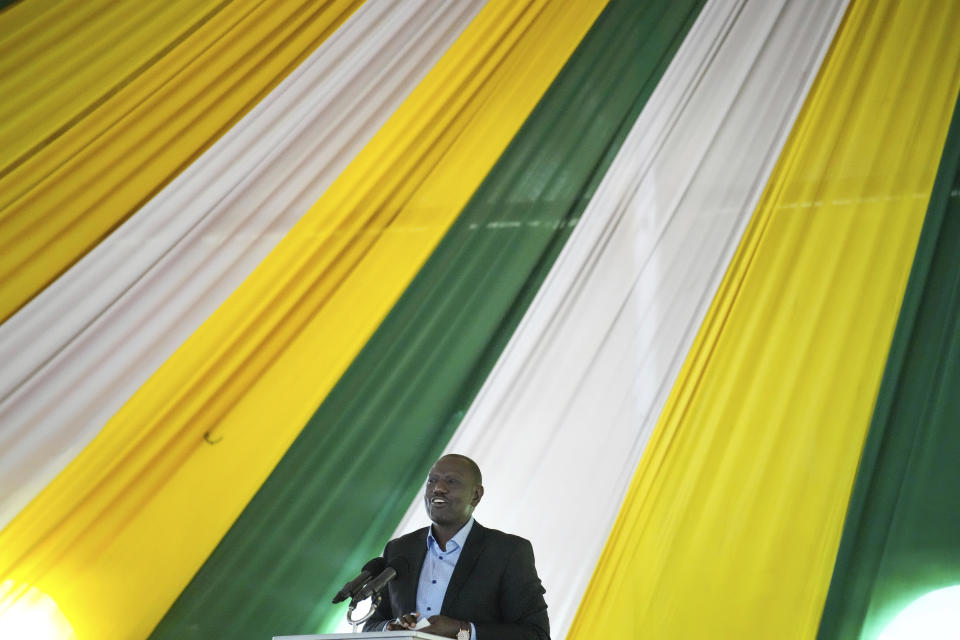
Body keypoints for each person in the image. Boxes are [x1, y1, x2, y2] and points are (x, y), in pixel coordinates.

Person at [363, 454, 550, 640]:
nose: (438, 488)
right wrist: (391, 628)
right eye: (432, 481)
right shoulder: (400, 549)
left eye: (451, 481)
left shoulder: (508, 552)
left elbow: (536, 634)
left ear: (476, 495)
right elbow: (372, 625)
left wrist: (462, 631)